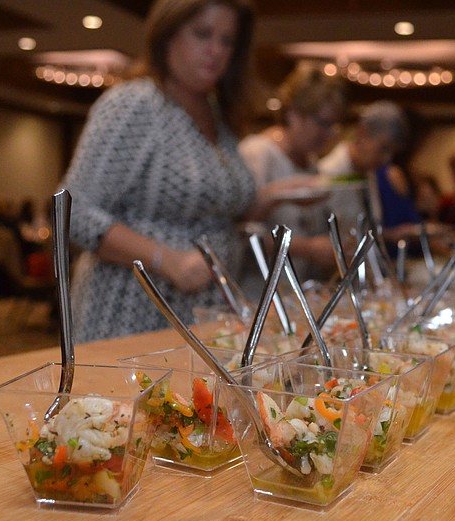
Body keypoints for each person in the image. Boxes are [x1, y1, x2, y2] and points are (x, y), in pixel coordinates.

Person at [62, 0, 273, 342]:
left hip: (202, 318)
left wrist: (267, 199)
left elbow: (212, 209)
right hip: (133, 316)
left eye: (227, 40)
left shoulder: (219, 116)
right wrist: (166, 259)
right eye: (202, 34)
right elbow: (73, 210)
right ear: (167, 36)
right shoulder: (136, 104)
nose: (216, 50)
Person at [238, 62, 346, 284]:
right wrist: (308, 249)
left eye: (333, 125)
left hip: (293, 294)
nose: (328, 134)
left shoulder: (310, 162)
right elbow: (240, 231)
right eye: (323, 123)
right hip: (258, 294)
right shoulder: (259, 152)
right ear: (293, 114)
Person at [318, 100, 410, 241]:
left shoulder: (368, 173)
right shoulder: (329, 172)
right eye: (383, 148)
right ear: (362, 133)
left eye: (392, 152)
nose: (387, 159)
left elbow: (366, 230)